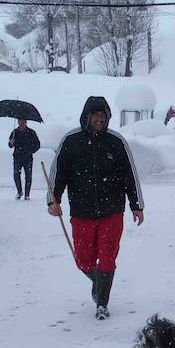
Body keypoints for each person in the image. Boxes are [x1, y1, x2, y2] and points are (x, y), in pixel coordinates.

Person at [47, 96, 144, 320]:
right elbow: (57, 173)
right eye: (96, 115)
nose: (100, 119)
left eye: (103, 115)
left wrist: (136, 205)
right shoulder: (71, 141)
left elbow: (130, 175)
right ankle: (100, 284)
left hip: (112, 211)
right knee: (83, 260)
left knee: (107, 257)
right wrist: (53, 201)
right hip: (81, 212)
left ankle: (102, 303)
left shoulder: (116, 141)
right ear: (86, 116)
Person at [9, 118, 40, 200]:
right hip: (17, 158)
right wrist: (11, 143)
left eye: (23, 122)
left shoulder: (31, 132)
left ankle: (27, 194)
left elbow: (37, 144)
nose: (21, 123)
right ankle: (19, 192)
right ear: (18, 122)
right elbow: (10, 145)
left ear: (26, 122)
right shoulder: (14, 132)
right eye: (20, 122)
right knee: (16, 175)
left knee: (28, 177)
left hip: (28, 158)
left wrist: (31, 150)